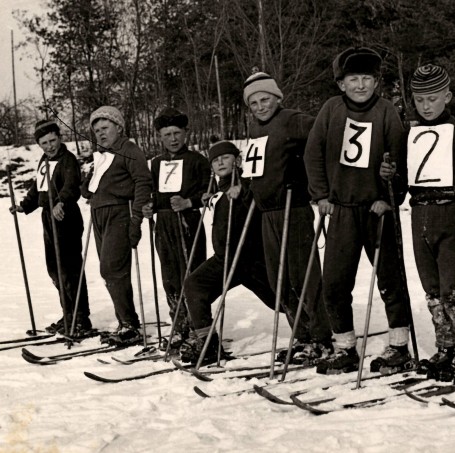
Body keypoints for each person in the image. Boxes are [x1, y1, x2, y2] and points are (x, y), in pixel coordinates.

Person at [303, 47, 413, 374]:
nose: (361, 85)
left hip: (377, 209)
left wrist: (390, 198)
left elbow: (400, 160)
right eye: (354, 79)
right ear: (341, 84)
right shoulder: (331, 110)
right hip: (341, 210)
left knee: (391, 280)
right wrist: (321, 195)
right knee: (335, 282)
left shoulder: (386, 112)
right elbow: (313, 155)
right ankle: (345, 347)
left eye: (367, 79)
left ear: (377, 82)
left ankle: (398, 345)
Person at [382, 65, 455, 384]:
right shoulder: (408, 133)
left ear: (447, 96)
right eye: (419, 100)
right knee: (432, 289)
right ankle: (446, 346)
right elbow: (402, 181)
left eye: (432, 98)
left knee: (453, 289)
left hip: (453, 211)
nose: (426, 106)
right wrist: (390, 178)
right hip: (420, 213)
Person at [242, 71, 333, 364]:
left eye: (265, 99)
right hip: (267, 213)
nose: (260, 106)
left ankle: (321, 337)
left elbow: (323, 135)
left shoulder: (292, 119)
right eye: (254, 102)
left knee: (302, 275)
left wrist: (307, 173)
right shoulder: (255, 128)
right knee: (278, 279)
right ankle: (302, 334)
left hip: (292, 208)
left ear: (277, 98)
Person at [178, 141, 278, 364]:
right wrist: (207, 200)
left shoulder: (246, 184)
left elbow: (257, 198)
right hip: (225, 259)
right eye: (215, 160)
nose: (220, 162)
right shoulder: (218, 189)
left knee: (279, 301)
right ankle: (207, 343)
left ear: (237, 161)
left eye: (225, 157)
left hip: (249, 258)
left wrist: (243, 191)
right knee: (195, 286)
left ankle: (314, 331)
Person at [10, 119, 91, 336]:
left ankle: (81, 317)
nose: (50, 146)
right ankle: (68, 314)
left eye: (53, 140)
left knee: (70, 269)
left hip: (66, 216)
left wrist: (61, 202)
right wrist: (25, 206)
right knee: (55, 269)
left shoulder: (68, 160)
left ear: (60, 138)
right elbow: (39, 187)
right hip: (49, 217)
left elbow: (71, 186)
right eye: (44, 143)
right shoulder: (44, 161)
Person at [82, 106, 153, 345]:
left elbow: (143, 182)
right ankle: (124, 320)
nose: (100, 134)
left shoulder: (130, 150)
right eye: (96, 130)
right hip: (99, 214)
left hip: (119, 213)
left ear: (119, 127)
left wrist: (136, 221)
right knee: (108, 270)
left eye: (105, 128)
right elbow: (89, 189)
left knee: (112, 268)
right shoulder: (101, 154)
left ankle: (129, 325)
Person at [142, 108, 210, 349]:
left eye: (177, 133)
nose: (172, 139)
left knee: (189, 274)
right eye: (167, 134)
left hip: (188, 223)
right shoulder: (157, 163)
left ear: (186, 133)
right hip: (164, 225)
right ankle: (179, 326)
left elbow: (210, 192)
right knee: (170, 276)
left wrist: (188, 202)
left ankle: (197, 328)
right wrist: (149, 206)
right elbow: (152, 192)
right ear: (159, 137)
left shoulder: (198, 161)